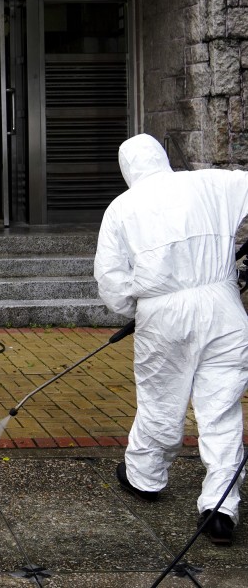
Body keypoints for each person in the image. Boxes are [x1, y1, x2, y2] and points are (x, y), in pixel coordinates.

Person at [95, 133, 248, 546]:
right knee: (221, 410)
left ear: (127, 169)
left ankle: (145, 477)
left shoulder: (122, 207)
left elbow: (111, 281)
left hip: (163, 317)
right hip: (224, 309)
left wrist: (139, 306)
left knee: (161, 400)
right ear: (162, 157)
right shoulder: (212, 182)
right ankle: (220, 507)